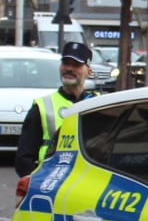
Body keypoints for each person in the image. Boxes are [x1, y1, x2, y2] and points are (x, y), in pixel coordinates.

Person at [14, 41, 98, 199]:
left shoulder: (99, 106)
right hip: (48, 188)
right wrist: (37, 185)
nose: (69, 69)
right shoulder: (42, 106)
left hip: (87, 188)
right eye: (66, 63)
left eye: (76, 65)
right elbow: (24, 158)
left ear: (89, 71)